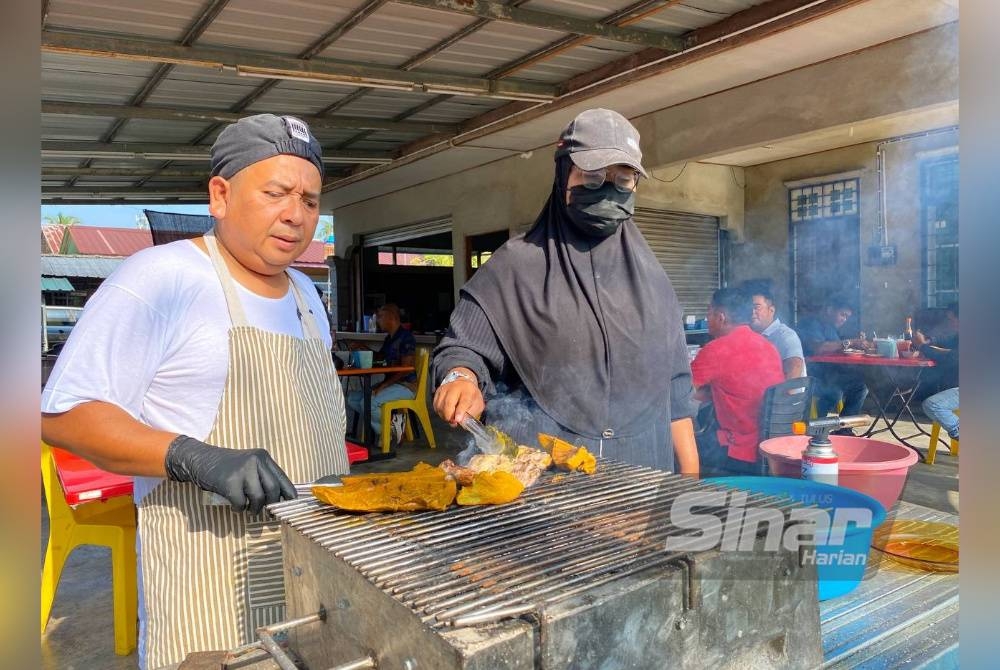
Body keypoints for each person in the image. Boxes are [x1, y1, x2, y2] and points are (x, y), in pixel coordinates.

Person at [40, 114, 349, 669]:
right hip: (209, 579)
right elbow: (64, 414)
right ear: (220, 195)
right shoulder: (161, 278)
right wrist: (191, 456)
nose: (295, 215)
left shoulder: (306, 292)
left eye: (309, 199)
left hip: (317, 574)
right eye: (276, 193)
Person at [431, 108, 699, 474]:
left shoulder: (653, 281)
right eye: (591, 178)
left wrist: (689, 481)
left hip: (643, 480)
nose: (608, 190)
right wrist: (459, 377)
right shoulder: (514, 267)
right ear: (563, 177)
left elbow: (676, 392)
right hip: (546, 483)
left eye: (623, 181)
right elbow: (464, 348)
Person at [691, 288, 785, 477]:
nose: (707, 318)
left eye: (709, 313)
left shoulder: (716, 349)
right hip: (768, 444)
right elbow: (737, 387)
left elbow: (680, 392)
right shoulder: (767, 345)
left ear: (721, 317)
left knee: (677, 449)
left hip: (739, 448)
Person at [347, 303, 417, 443]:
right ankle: (391, 427)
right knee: (353, 399)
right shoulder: (389, 338)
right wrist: (364, 347)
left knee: (369, 402)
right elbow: (381, 358)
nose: (377, 320)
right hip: (391, 384)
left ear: (391, 317)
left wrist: (383, 386)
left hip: (406, 385)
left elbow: (405, 369)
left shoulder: (406, 337)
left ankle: (390, 431)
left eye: (380, 317)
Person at [796, 295, 868, 427]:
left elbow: (835, 346)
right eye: (842, 315)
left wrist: (854, 343)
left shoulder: (829, 327)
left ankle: (844, 429)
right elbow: (819, 347)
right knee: (836, 391)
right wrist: (850, 342)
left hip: (829, 374)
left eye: (847, 317)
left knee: (860, 385)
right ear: (830, 310)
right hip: (812, 376)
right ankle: (817, 427)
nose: (844, 320)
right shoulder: (811, 324)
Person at [744, 281, 806, 379]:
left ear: (771, 310)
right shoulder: (749, 336)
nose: (752, 312)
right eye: (749, 308)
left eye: (757, 307)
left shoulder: (786, 336)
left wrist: (783, 394)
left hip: (782, 393)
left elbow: (795, 367)